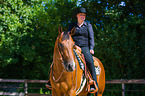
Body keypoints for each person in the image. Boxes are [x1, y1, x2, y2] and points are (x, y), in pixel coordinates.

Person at [68, 7, 98, 92]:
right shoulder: (72, 25)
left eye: (84, 15)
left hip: (84, 47)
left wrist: (91, 48)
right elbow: (68, 36)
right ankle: (52, 81)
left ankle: (94, 83)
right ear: (77, 16)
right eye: (81, 14)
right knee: (62, 57)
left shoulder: (88, 26)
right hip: (74, 47)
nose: (82, 16)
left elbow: (91, 38)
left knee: (90, 61)